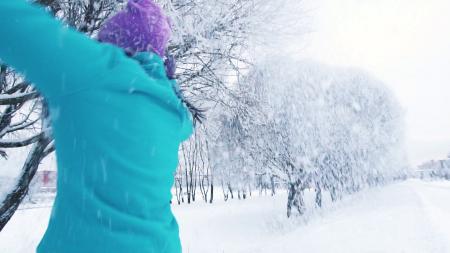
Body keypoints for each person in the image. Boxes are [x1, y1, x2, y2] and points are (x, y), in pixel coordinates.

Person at [0, 1, 193, 252]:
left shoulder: (95, 71)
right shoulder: (171, 110)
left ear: (111, 42)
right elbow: (187, 126)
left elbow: (16, 26)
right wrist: (169, 83)